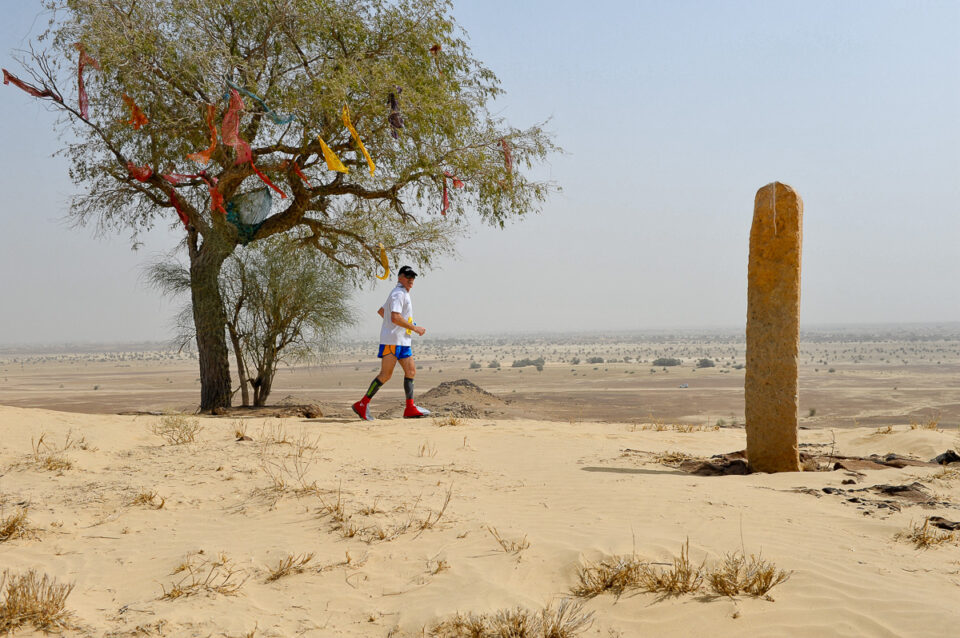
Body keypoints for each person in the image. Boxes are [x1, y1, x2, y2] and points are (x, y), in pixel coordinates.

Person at [352, 266, 431, 420]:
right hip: (393, 343)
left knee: (411, 372)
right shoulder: (398, 294)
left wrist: (397, 327)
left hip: (401, 342)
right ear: (400, 277)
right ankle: (362, 404)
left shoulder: (402, 293)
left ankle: (410, 407)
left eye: (413, 277)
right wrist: (414, 328)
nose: (411, 279)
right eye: (407, 276)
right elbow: (394, 317)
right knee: (385, 375)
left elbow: (383, 312)